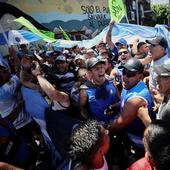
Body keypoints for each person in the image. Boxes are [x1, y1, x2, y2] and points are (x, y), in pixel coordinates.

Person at [108, 58, 153, 159]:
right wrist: (115, 106)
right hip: (129, 135)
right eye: (124, 72)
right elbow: (124, 101)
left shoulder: (137, 98)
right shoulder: (128, 84)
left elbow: (119, 124)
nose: (125, 77)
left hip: (140, 143)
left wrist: (104, 131)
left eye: (130, 74)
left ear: (140, 76)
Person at [79, 57, 119, 123]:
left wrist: (114, 106)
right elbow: (82, 108)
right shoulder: (84, 90)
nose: (101, 70)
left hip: (117, 121)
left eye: (102, 67)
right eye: (97, 69)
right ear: (90, 73)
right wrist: (91, 122)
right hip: (100, 125)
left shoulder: (111, 82)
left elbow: (119, 99)